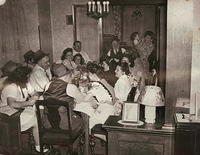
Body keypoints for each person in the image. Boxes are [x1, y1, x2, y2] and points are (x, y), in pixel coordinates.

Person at [1, 66, 48, 153]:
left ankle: (39, 139)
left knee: (37, 113)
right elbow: (11, 104)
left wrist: (35, 96)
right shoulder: (12, 87)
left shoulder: (25, 84)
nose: (29, 78)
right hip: (8, 116)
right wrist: (28, 103)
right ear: (22, 77)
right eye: (28, 76)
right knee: (36, 119)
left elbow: (34, 92)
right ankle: (38, 145)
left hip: (18, 110)